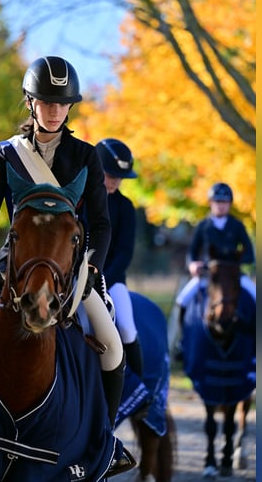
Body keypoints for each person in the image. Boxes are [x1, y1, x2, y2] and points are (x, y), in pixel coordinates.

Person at [0, 57, 127, 466]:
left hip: (69, 276)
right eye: (45, 102)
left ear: (70, 107)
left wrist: (90, 271)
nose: (54, 110)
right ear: (30, 103)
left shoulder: (87, 158)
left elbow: (101, 225)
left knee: (111, 347)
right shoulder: (8, 154)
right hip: (10, 270)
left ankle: (106, 446)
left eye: (61, 103)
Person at [96, 138, 144, 377]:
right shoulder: (78, 200)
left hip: (111, 280)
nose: (115, 180)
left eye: (119, 176)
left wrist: (102, 279)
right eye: (110, 174)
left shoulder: (125, 207)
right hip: (72, 278)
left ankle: (140, 391)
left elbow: (125, 252)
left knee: (126, 326)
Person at [175, 182, 256, 311]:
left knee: (256, 296)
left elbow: (249, 254)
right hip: (207, 274)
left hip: (233, 276)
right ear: (210, 203)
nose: (221, 206)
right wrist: (193, 264)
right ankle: (184, 330)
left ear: (229, 204)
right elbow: (192, 251)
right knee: (182, 300)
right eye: (217, 202)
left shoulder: (237, 226)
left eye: (224, 202)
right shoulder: (203, 226)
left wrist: (234, 262)